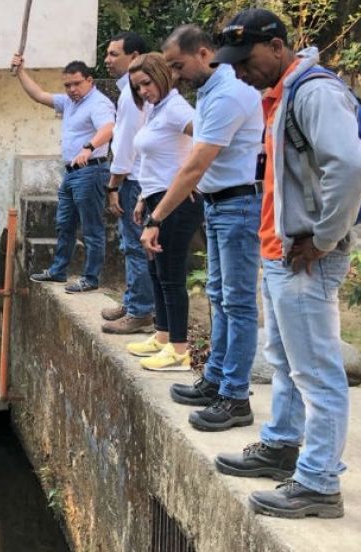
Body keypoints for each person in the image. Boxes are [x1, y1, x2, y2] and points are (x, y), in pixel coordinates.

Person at [211, 9, 361, 519]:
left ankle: (319, 482)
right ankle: (282, 444)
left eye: (247, 59)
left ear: (278, 46)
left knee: (317, 373)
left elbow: (349, 168)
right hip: (281, 251)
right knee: (284, 360)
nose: (240, 71)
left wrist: (324, 238)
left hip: (307, 257)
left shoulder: (315, 92)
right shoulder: (280, 94)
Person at [140, 25, 264, 430]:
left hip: (238, 204)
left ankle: (234, 397)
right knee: (219, 296)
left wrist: (155, 218)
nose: (174, 74)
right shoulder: (211, 92)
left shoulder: (229, 94)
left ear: (205, 52)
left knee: (238, 302)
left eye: (178, 65)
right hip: (217, 204)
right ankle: (214, 379)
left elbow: (195, 163)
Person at [120, 53, 201, 371]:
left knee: (170, 275)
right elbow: (154, 159)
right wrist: (142, 197)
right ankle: (163, 335)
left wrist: (196, 175)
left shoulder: (178, 108)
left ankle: (179, 349)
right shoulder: (158, 110)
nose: (143, 91)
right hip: (154, 196)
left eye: (146, 83)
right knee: (156, 270)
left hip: (177, 201)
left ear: (162, 77)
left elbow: (207, 139)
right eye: (137, 87)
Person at [11, 55, 115, 293]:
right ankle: (58, 271)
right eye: (67, 85)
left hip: (90, 171)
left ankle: (90, 278)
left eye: (76, 84)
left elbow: (108, 128)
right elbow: (39, 95)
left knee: (91, 228)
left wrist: (88, 148)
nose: (72, 89)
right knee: (64, 224)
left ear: (89, 80)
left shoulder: (98, 103)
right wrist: (20, 72)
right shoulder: (70, 103)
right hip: (70, 172)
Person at [101, 33, 157, 334]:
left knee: (136, 246)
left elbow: (125, 144)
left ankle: (139, 311)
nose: (108, 60)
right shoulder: (131, 93)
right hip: (136, 177)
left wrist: (113, 185)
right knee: (131, 244)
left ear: (134, 55)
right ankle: (134, 299)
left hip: (134, 178)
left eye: (114, 54)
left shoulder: (132, 95)